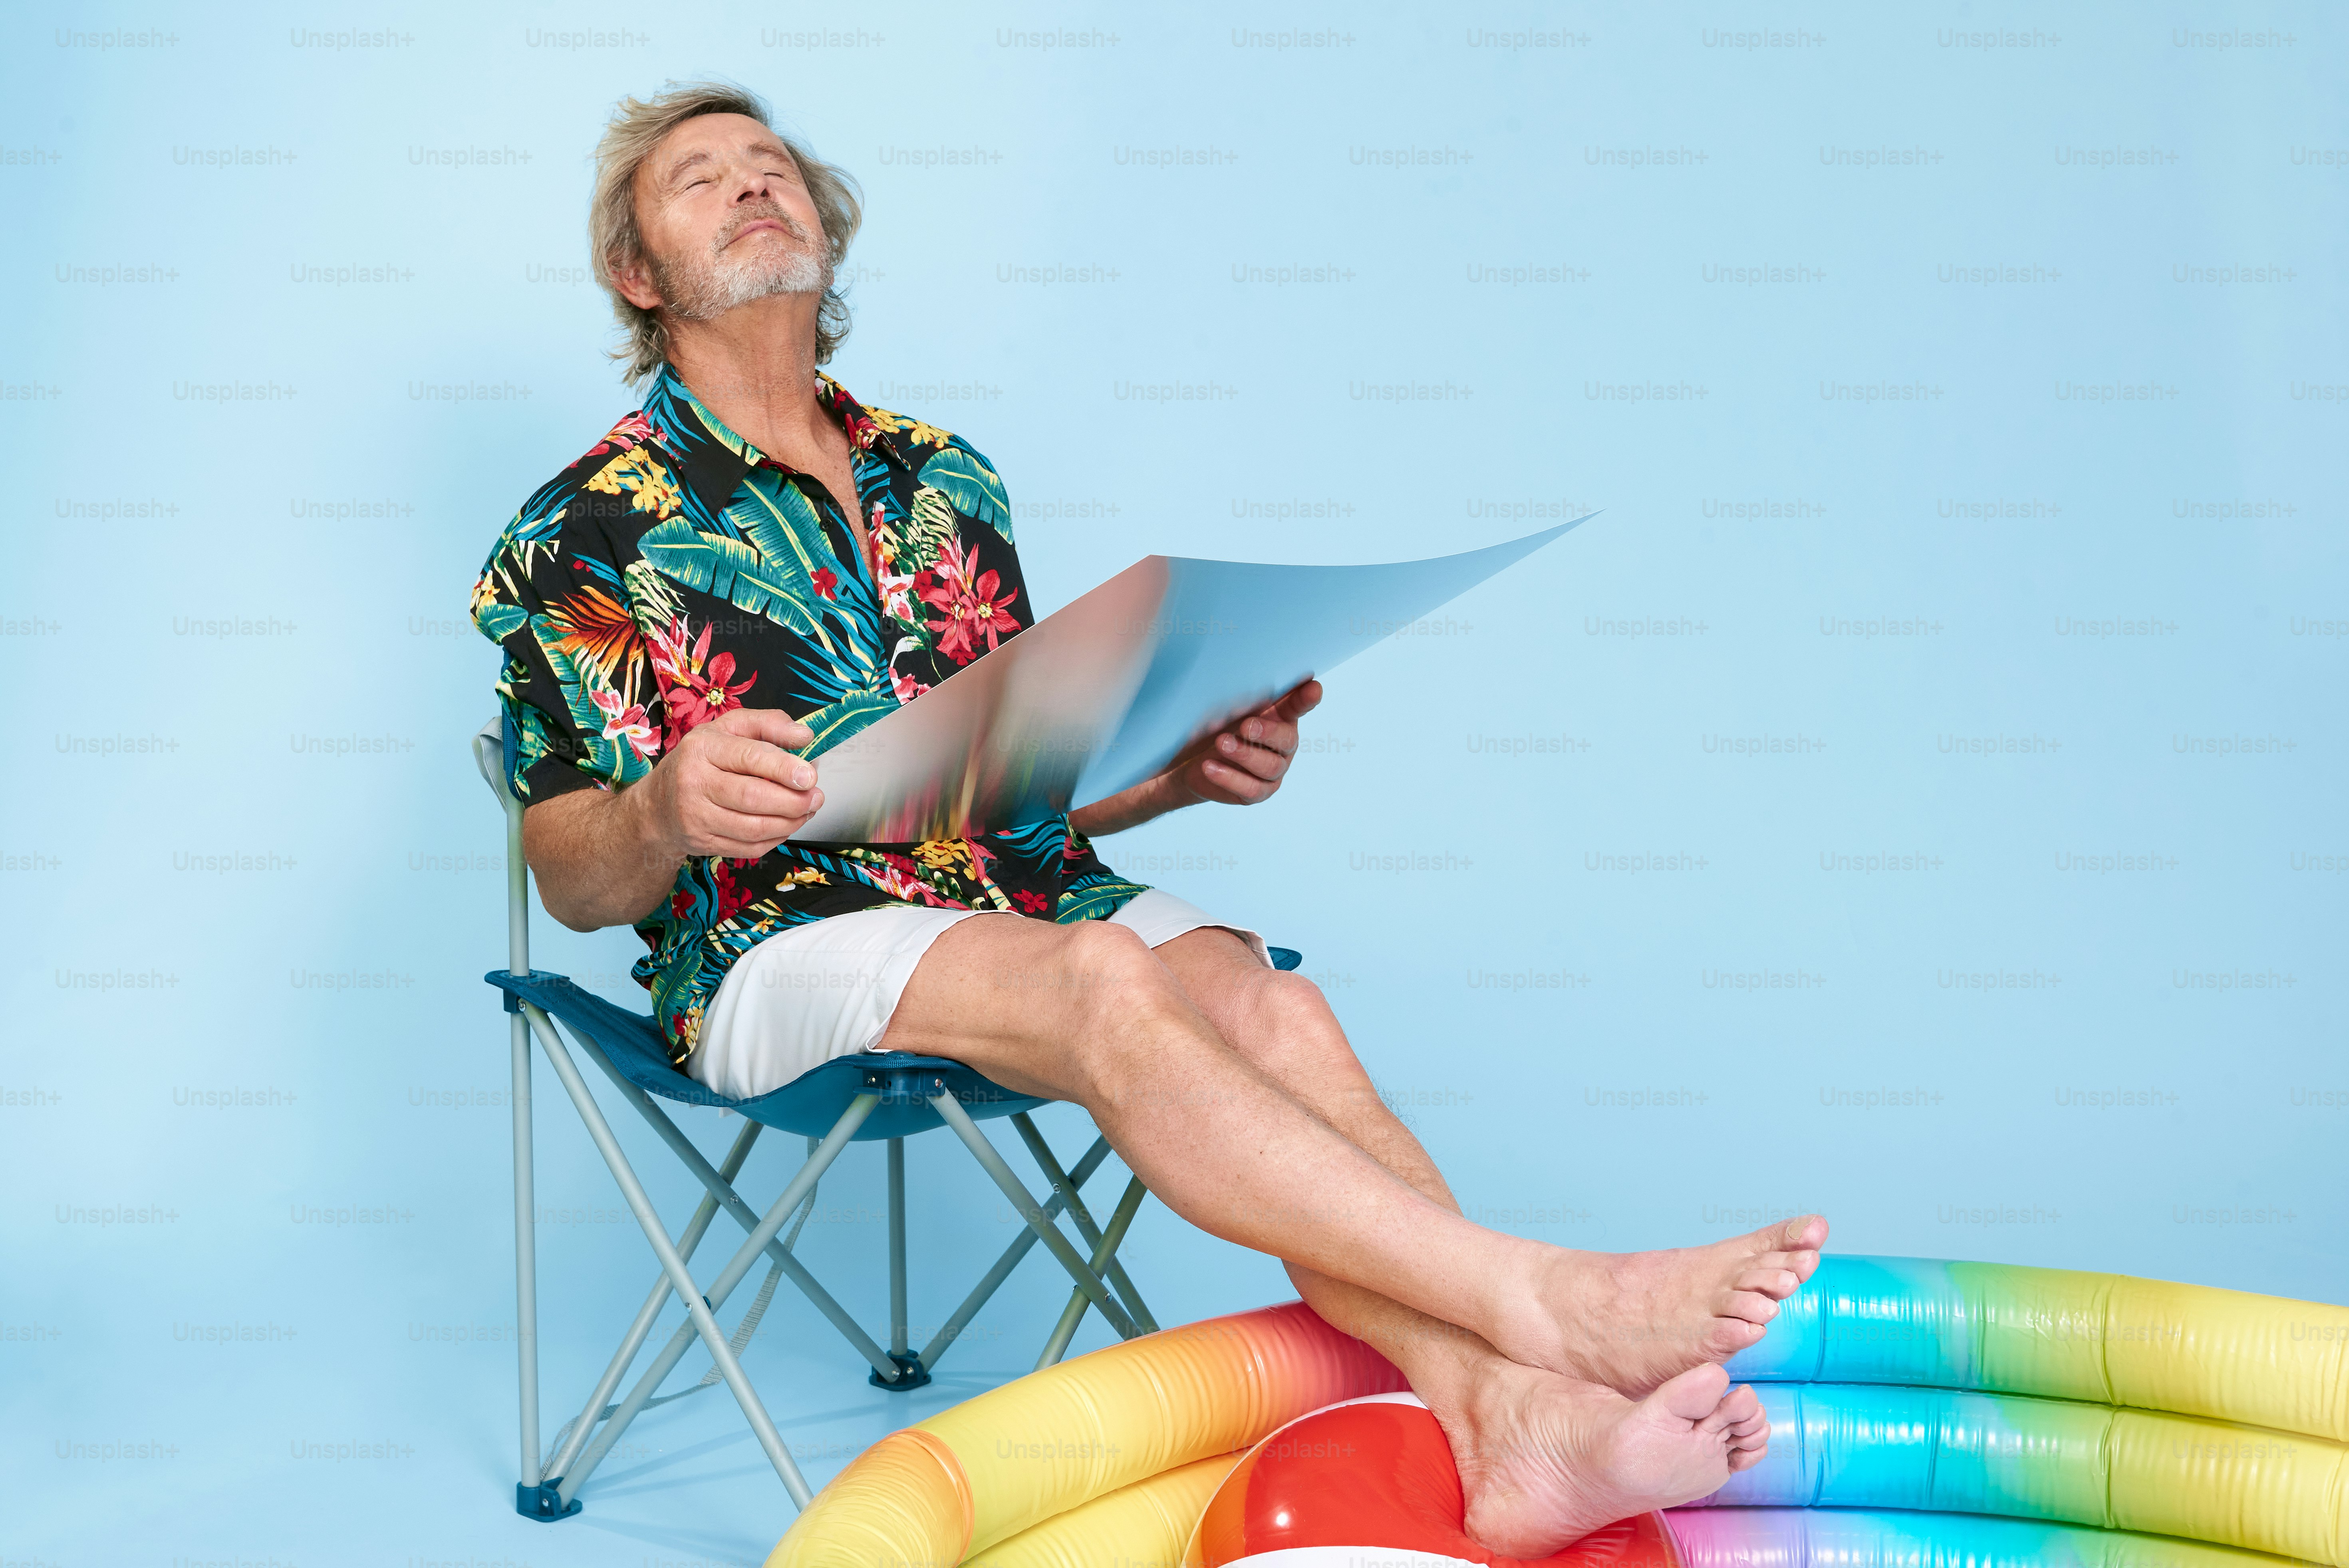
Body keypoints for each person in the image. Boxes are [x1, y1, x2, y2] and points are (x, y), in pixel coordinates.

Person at [469, 79, 1827, 1554]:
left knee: (1273, 1011)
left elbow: (1014, 781)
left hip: (1020, 894)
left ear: (823, 222)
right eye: (697, 180)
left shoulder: (948, 479)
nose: (749, 185)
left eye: (771, 166)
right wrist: (666, 807)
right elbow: (575, 878)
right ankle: (1544, 1304)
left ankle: (1502, 1417)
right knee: (1106, 981)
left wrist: (1177, 775)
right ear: (638, 273)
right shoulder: (582, 524)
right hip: (768, 943)